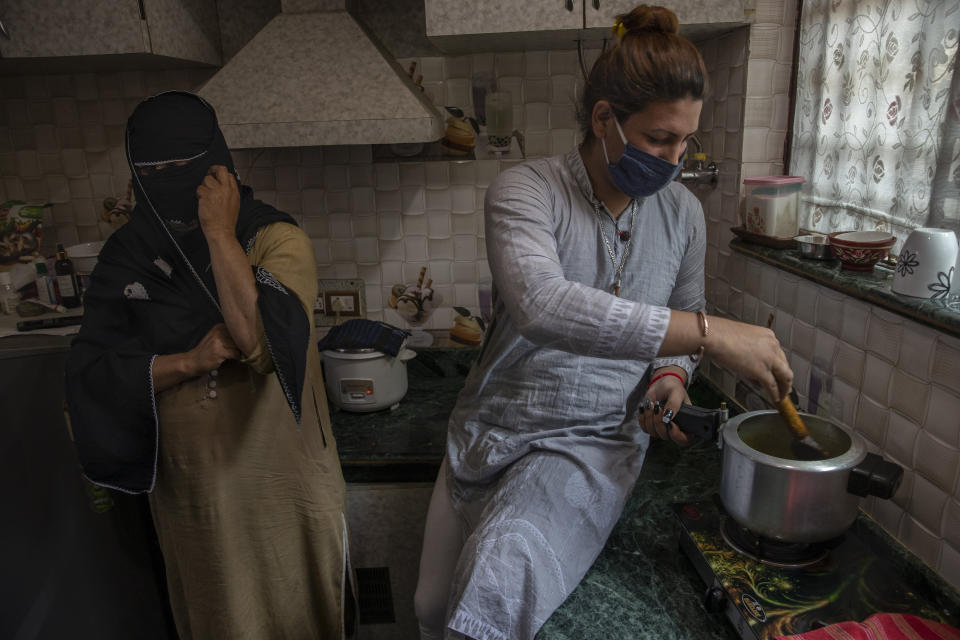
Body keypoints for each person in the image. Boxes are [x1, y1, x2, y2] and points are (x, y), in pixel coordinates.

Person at [413, 5, 793, 640]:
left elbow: (683, 315)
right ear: (604, 120)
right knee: (429, 608)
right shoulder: (524, 192)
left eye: (685, 140)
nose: (674, 159)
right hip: (489, 428)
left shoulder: (685, 217)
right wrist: (711, 333)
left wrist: (672, 374)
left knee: (496, 586)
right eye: (658, 139)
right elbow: (543, 305)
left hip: (587, 441)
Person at [65, 91, 355, 639]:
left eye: (184, 167)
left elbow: (260, 344)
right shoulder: (125, 260)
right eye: (153, 170)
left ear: (217, 163)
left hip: (285, 493)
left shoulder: (276, 239)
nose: (170, 179)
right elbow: (92, 377)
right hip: (196, 502)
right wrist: (187, 361)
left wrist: (220, 233)